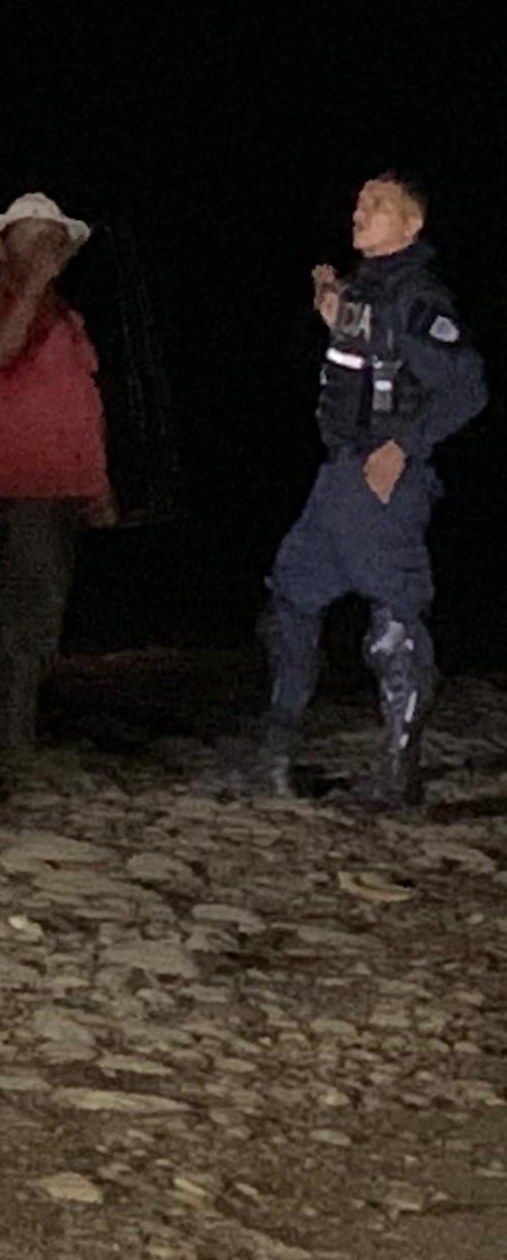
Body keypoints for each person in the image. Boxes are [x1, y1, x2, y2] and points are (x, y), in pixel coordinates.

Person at [230, 172, 485, 808]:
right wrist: (330, 296)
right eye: (359, 202)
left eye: (379, 205)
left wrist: (402, 448)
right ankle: (277, 752)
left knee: (393, 618)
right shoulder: (373, 290)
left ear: (413, 223)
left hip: (381, 481)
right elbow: (363, 345)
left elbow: (467, 388)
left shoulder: (419, 298)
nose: (360, 211)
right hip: (336, 477)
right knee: (289, 597)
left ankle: (398, 777)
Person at [0, 191, 113, 784]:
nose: (46, 251)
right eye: (33, 240)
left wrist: (98, 487)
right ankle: (8, 757)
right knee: (19, 627)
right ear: (7, 250)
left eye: (52, 242)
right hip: (15, 489)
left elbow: (83, 407)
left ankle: (15, 744)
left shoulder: (67, 318)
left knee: (38, 625)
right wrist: (29, 288)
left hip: (60, 492)